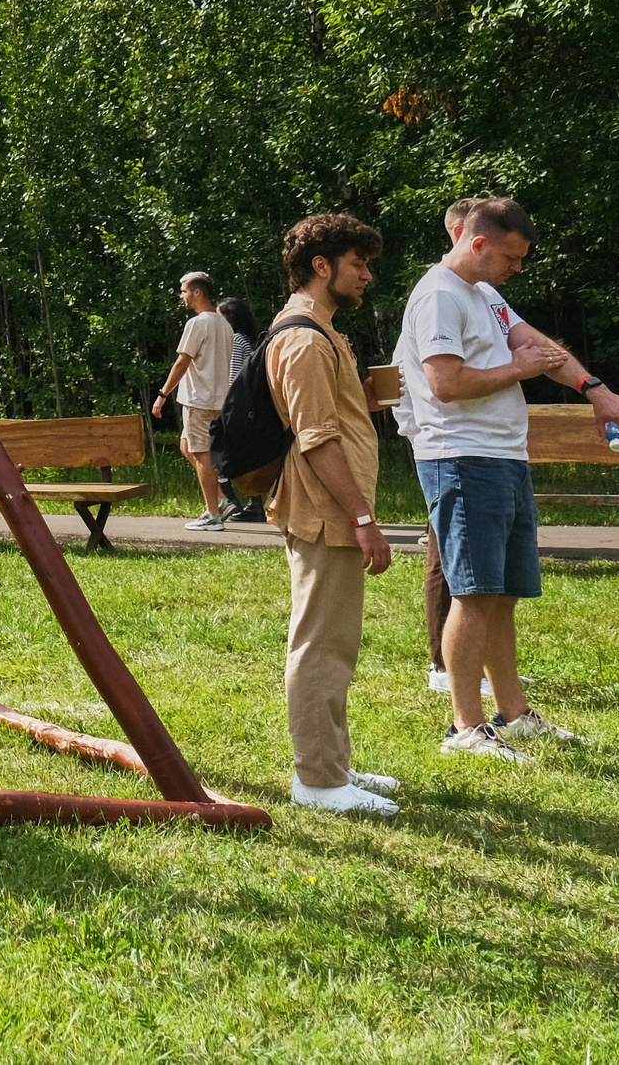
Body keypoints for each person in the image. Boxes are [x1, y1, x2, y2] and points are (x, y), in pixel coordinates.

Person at [394, 197, 619, 759]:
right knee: (473, 593)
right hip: (460, 455)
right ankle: (465, 727)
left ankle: (514, 713)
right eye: (511, 256)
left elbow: (538, 347)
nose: (517, 268)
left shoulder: (485, 293)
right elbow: (446, 383)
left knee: (502, 595)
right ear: (477, 244)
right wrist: (519, 370)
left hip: (503, 455)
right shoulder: (438, 297)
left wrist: (593, 390)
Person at [262, 213, 401, 817]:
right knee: (321, 645)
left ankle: (332, 764)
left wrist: (365, 397)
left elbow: (328, 418)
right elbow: (316, 439)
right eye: (358, 264)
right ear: (322, 266)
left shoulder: (323, 332)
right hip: (323, 513)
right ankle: (317, 780)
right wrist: (363, 517)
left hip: (330, 511)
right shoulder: (303, 339)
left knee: (335, 643)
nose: (367, 275)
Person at [152, 271, 234, 531]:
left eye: (184, 291)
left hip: (199, 399)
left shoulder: (197, 324)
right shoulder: (224, 323)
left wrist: (163, 394)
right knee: (187, 447)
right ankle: (221, 500)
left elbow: (182, 361)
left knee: (201, 455)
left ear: (197, 292)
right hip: (219, 399)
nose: (182, 296)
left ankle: (213, 515)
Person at [215, 296, 267, 522]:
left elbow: (234, 375)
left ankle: (235, 503)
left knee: (219, 454)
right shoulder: (246, 339)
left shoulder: (236, 340)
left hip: (236, 404)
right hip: (245, 404)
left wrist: (225, 407)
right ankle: (249, 504)